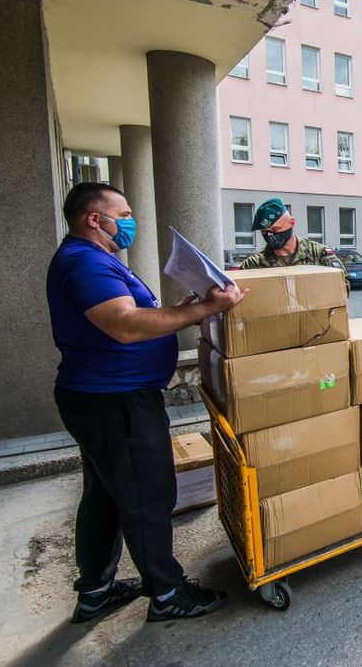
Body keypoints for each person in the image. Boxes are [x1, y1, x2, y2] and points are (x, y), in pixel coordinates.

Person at [46, 182, 248, 624]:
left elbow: (131, 316)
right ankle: (167, 593)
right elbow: (124, 325)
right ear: (94, 219)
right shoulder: (85, 262)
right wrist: (202, 310)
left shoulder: (94, 259)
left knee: (105, 496)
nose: (130, 221)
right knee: (147, 496)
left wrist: (180, 310)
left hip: (101, 398)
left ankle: (95, 591)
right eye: (123, 214)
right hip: (115, 401)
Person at [239, 197, 349, 291]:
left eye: (275, 229)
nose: (270, 235)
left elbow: (343, 285)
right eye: (264, 231)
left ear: (292, 222)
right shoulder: (254, 264)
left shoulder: (318, 254)